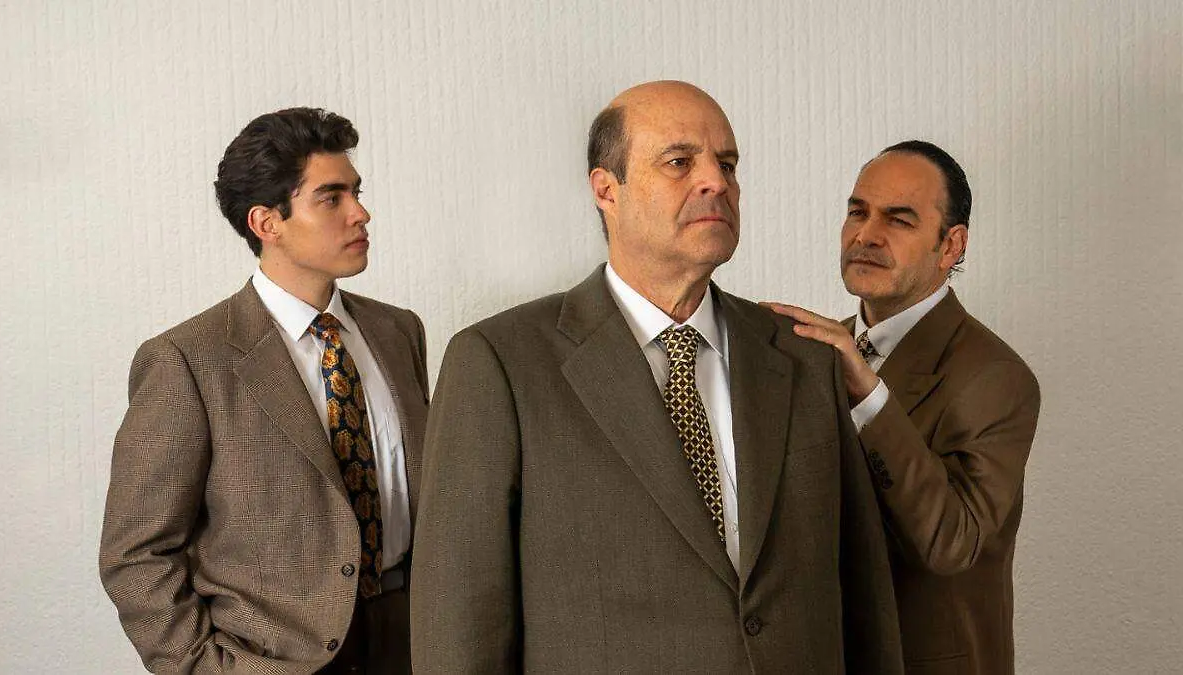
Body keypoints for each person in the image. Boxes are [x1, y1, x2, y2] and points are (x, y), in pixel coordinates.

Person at [409, 81, 902, 673]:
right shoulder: (500, 363)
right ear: (606, 190)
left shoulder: (804, 355)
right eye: (679, 162)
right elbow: (459, 625)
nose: (716, 181)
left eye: (727, 164)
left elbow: (863, 593)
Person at [99, 107, 428, 674]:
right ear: (266, 222)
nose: (360, 213)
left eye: (356, 192)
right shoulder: (187, 360)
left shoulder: (399, 333)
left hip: (412, 640)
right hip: (274, 660)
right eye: (331, 198)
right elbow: (136, 555)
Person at [767, 140, 1041, 675]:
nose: (866, 235)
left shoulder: (998, 377)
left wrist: (870, 398)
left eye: (898, 219)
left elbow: (952, 544)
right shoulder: (814, 353)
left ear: (950, 245)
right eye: (858, 212)